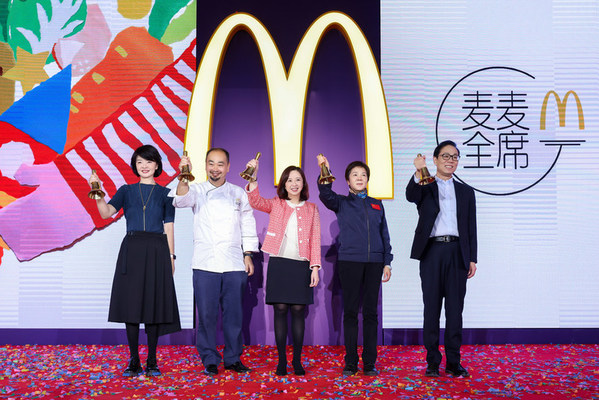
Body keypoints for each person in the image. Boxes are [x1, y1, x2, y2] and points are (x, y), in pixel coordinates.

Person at [89, 144, 181, 377]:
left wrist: (171, 256)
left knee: (153, 305)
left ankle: (152, 361)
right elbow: (106, 213)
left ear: (157, 165)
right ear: (134, 166)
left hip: (157, 249)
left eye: (149, 161)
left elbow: (169, 227)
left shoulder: (166, 194)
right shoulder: (126, 191)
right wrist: (97, 192)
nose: (144, 166)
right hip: (132, 248)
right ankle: (134, 360)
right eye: (140, 162)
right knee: (131, 306)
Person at [172, 148, 258, 376]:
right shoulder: (197, 190)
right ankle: (209, 358)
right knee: (206, 315)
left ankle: (233, 358)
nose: (215, 168)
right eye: (211, 163)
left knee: (234, 316)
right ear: (205, 165)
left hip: (233, 263)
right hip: (205, 263)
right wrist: (183, 174)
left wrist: (248, 253)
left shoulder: (238, 193)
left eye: (220, 164)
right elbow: (180, 200)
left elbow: (248, 224)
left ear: (228, 167)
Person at [406, 140, 477, 378]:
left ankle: (454, 362)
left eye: (454, 157)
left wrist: (472, 258)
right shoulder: (425, 186)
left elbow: (471, 227)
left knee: (455, 311)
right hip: (432, 251)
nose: (450, 160)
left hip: (457, 252)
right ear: (435, 160)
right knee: (432, 309)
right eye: (445, 156)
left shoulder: (466, 192)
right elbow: (410, 196)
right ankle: (433, 362)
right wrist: (418, 171)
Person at [316, 155, 392, 377]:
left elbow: (384, 235)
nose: (360, 178)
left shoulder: (377, 204)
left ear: (368, 179)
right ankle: (350, 362)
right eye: (355, 175)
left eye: (363, 175)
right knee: (350, 313)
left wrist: (387, 262)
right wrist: (325, 171)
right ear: (347, 181)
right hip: (350, 262)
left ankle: (369, 363)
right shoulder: (341, 202)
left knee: (370, 314)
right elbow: (325, 194)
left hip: (374, 263)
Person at [244, 157, 321, 376]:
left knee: (298, 311)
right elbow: (255, 201)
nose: (294, 184)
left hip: (301, 266)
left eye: (298, 180)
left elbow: (315, 239)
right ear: (284, 184)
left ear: (303, 184)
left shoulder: (312, 208)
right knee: (279, 309)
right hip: (279, 264)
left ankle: (296, 360)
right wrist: (253, 176)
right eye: (289, 180)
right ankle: (281, 361)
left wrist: (315, 267)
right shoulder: (276, 204)